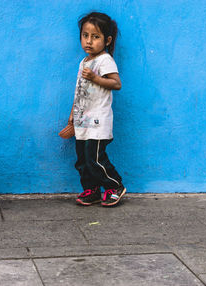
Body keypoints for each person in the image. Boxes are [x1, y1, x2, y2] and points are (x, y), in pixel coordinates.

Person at [68, 12, 126, 207]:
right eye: (85, 35)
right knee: (82, 160)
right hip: (82, 120)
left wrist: (95, 78)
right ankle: (91, 190)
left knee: (95, 158)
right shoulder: (84, 62)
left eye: (95, 37)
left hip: (98, 121)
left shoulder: (104, 60)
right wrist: (72, 115)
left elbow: (116, 84)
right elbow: (80, 91)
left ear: (107, 40)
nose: (89, 41)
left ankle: (114, 186)